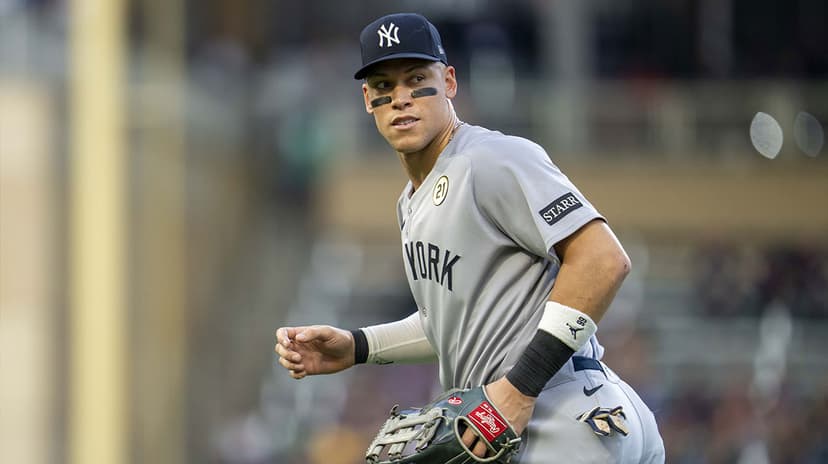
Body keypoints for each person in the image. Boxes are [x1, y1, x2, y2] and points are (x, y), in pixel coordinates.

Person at [276, 12, 665, 463]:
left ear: (449, 82)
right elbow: (450, 323)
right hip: (561, 414)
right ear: (368, 100)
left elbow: (603, 260)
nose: (400, 98)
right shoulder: (411, 202)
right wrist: (358, 346)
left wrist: (520, 389)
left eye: (416, 79)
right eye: (384, 86)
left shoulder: (488, 158)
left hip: (559, 409)